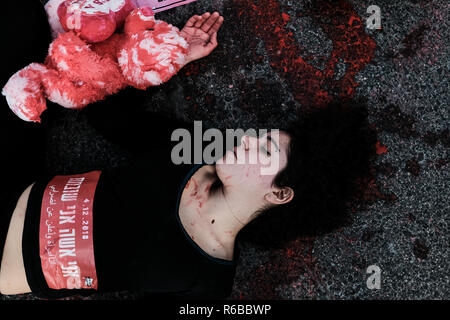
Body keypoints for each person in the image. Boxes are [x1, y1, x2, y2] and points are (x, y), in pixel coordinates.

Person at [0, 1, 378, 299]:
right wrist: (171, 58)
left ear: (280, 192)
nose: (246, 139)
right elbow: (112, 119)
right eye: (259, 136)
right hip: (21, 173)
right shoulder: (192, 152)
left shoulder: (207, 282)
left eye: (263, 150)